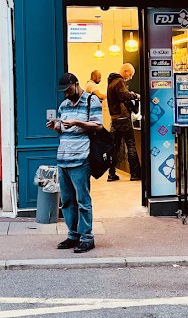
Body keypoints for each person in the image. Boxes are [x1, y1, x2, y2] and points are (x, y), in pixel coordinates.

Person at [46, 72, 103, 253]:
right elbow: (62, 131)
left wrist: (78, 122)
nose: (66, 94)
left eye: (68, 90)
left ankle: (87, 237)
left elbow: (98, 125)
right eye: (63, 91)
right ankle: (73, 235)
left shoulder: (91, 101)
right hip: (63, 157)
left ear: (76, 84)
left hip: (81, 157)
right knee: (68, 201)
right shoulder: (64, 105)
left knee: (83, 200)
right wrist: (56, 127)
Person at [107, 63, 141, 182]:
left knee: (115, 148)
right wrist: (136, 96)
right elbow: (123, 95)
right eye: (130, 74)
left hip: (115, 119)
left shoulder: (111, 82)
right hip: (124, 119)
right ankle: (135, 173)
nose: (130, 77)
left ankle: (111, 173)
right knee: (131, 145)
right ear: (125, 71)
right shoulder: (119, 81)